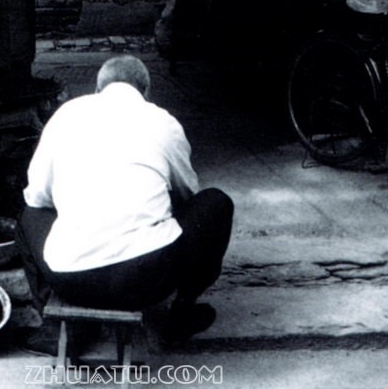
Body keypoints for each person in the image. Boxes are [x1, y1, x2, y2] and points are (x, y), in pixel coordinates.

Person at [16, 54, 234, 352]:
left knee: (29, 215)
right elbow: (188, 195)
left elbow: (36, 196)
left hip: (70, 278)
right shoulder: (162, 121)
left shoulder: (67, 114)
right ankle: (179, 316)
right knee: (216, 203)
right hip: (146, 279)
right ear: (145, 92)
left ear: (97, 89)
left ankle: (59, 327)